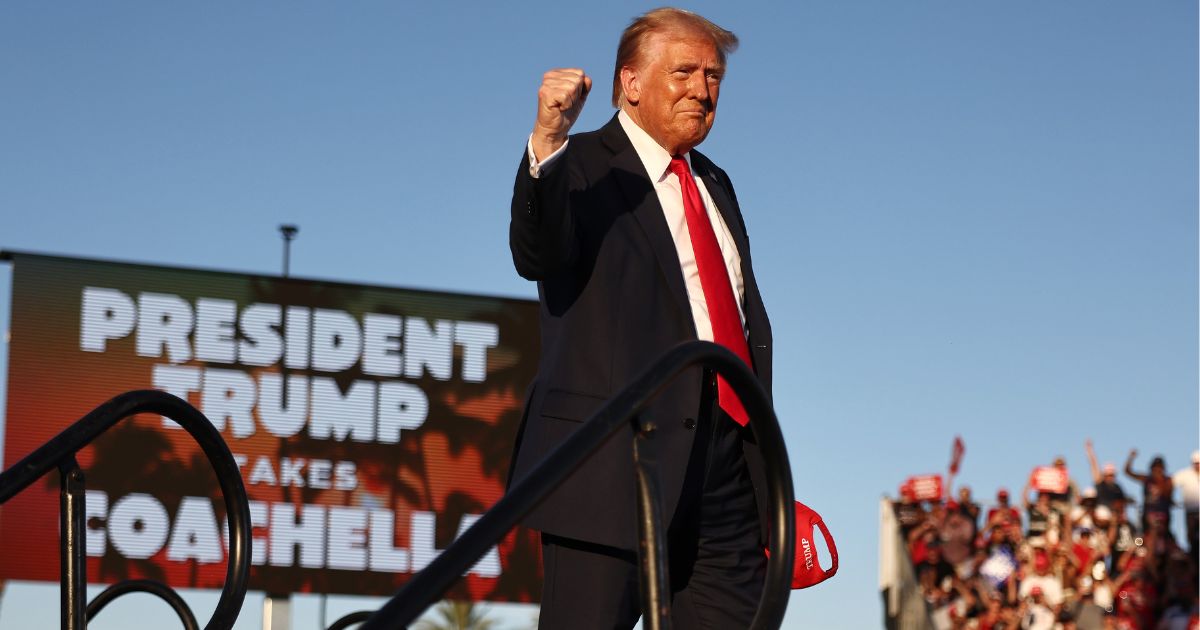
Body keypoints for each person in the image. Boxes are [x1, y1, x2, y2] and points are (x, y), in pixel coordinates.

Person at [507, 8, 775, 628]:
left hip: (727, 475)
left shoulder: (716, 184)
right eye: (683, 71)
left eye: (713, 76)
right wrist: (547, 141)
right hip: (613, 466)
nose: (701, 89)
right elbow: (536, 252)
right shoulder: (578, 164)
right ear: (630, 83)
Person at [1170, 450, 1198, 553]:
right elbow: (1171, 483)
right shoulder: (1185, 474)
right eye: (1196, 463)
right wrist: (1171, 499)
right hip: (1190, 512)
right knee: (1191, 536)